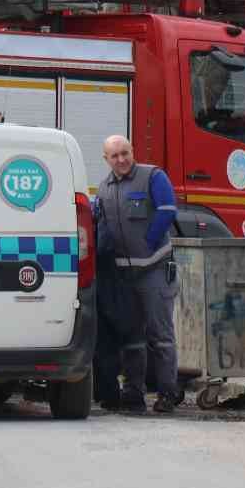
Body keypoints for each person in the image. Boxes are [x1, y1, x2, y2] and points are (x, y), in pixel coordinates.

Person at [95, 135, 182, 414]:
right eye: (115, 156)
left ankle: (167, 393)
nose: (121, 159)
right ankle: (133, 393)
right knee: (131, 337)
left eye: (125, 153)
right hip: (123, 276)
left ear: (133, 151)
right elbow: (101, 225)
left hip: (154, 269)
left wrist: (148, 242)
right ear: (106, 159)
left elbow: (167, 210)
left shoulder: (153, 176)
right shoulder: (104, 188)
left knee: (160, 335)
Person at [90, 195, 138, 411]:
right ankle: (111, 394)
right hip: (111, 285)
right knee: (112, 343)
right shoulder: (109, 223)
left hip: (100, 286)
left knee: (103, 344)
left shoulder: (96, 220)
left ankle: (106, 393)